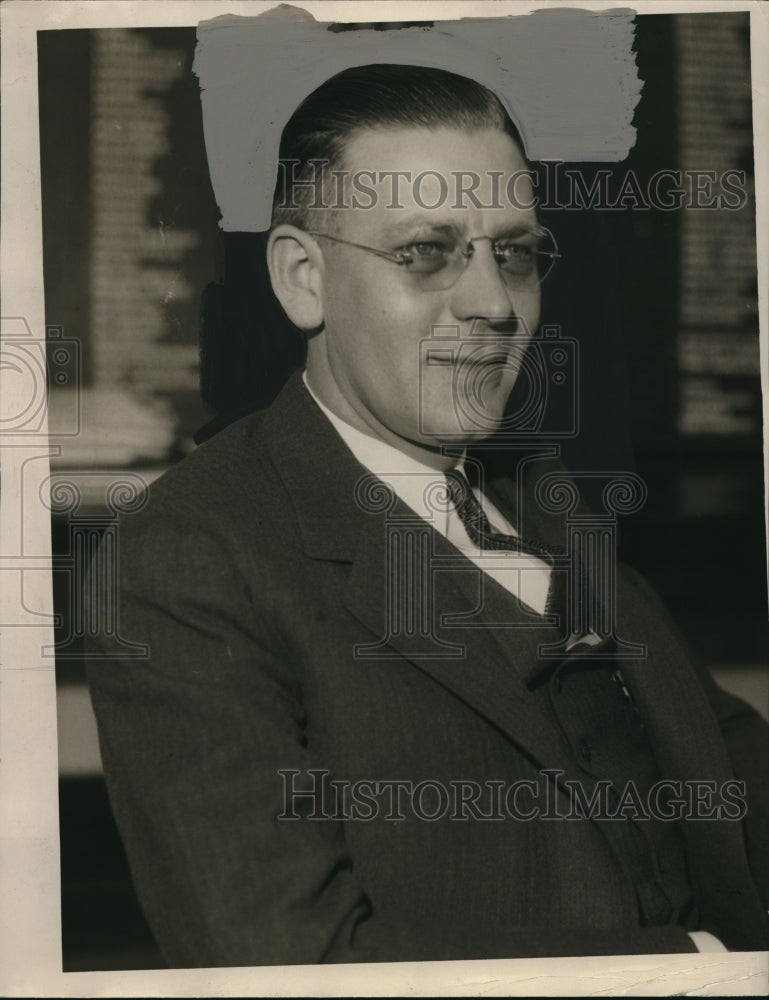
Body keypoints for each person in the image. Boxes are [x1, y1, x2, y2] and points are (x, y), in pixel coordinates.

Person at [85, 64, 769, 968]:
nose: (491, 304)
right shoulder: (186, 556)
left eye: (514, 252)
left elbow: (722, 766)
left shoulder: (537, 495)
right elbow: (284, 960)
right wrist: (697, 964)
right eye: (424, 252)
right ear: (302, 279)